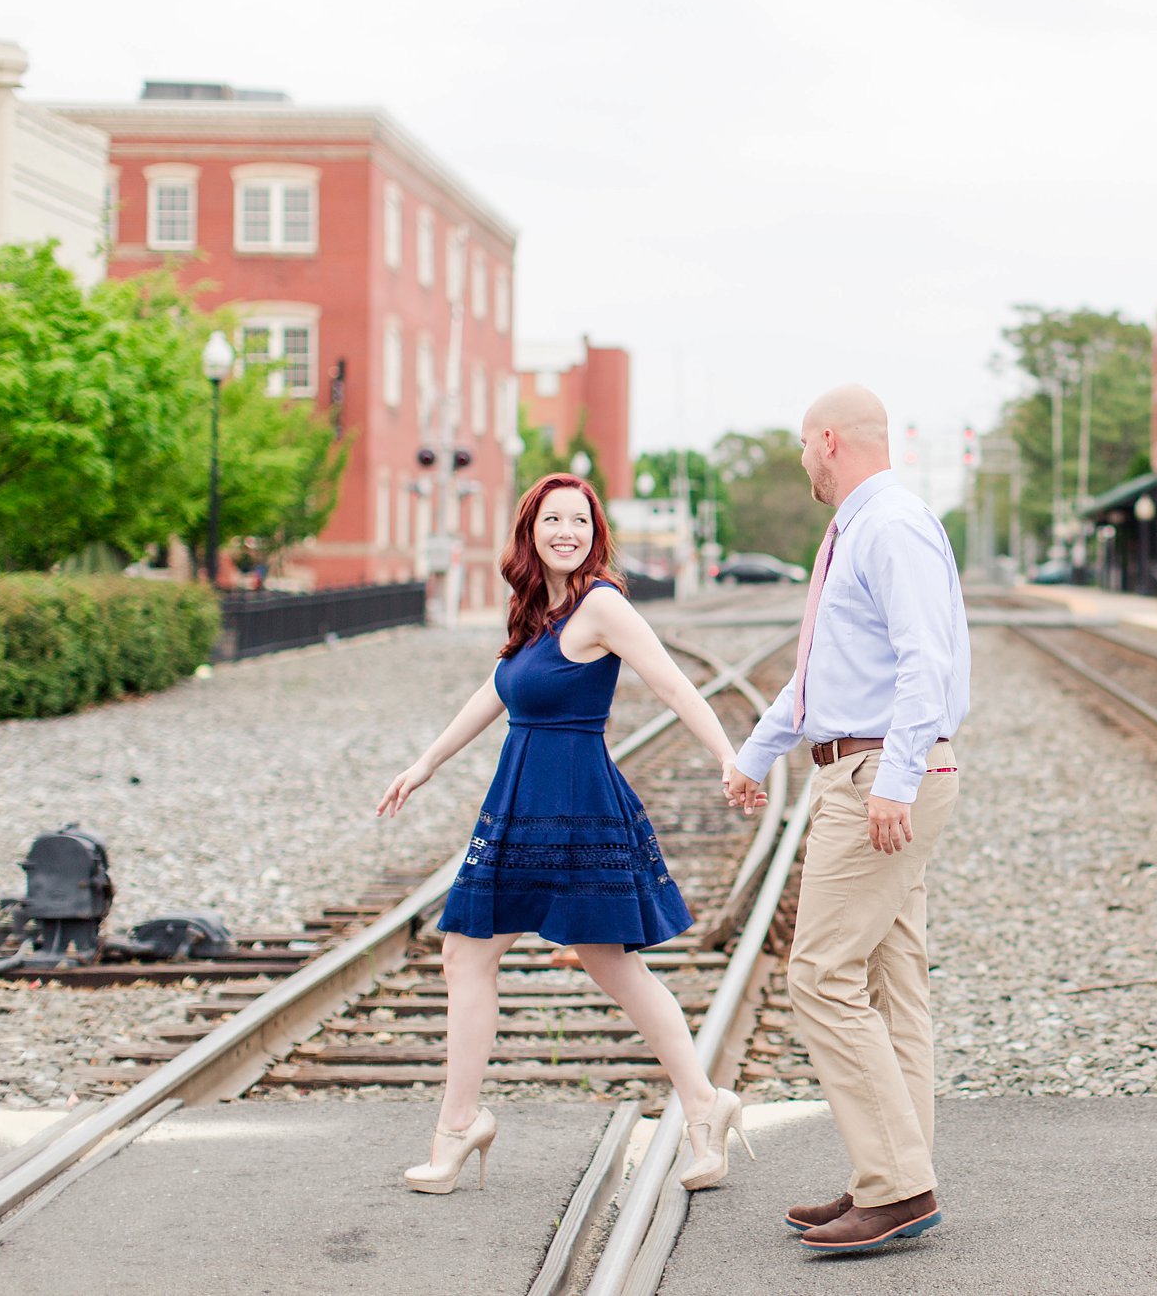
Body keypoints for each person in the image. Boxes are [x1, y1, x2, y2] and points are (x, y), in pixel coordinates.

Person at [377, 474, 763, 1197]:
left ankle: (703, 1106)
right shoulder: (536, 613)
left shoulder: (603, 605)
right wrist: (424, 763)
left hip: (577, 803)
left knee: (607, 963)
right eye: (551, 519)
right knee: (467, 952)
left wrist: (727, 756)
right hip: (521, 800)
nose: (565, 531)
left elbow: (675, 684)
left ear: (594, 531)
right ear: (529, 531)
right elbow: (497, 692)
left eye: (578, 520)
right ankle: (461, 1124)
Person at [723, 385, 968, 1256]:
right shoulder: (860, 530)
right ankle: (892, 1175)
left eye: (801, 445)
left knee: (821, 974)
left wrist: (894, 782)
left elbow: (922, 663)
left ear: (829, 440)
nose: (800, 460)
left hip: (877, 774)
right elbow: (827, 669)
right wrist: (756, 754)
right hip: (868, 766)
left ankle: (899, 1183)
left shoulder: (891, 524)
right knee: (893, 979)